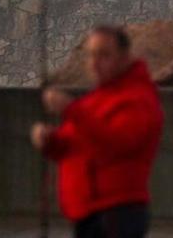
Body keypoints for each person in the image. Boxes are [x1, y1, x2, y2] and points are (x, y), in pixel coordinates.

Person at [30, 25, 164, 238]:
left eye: (104, 55)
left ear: (124, 58)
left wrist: (71, 110)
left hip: (117, 213)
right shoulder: (96, 100)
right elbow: (74, 147)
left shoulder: (138, 99)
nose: (94, 63)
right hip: (91, 212)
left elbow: (119, 144)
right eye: (91, 55)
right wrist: (49, 141)